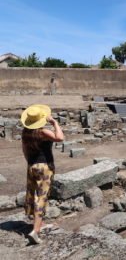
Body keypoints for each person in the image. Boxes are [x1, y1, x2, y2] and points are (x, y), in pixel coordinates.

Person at [20, 104, 64, 244]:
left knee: (33, 194)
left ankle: (39, 224)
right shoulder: (42, 132)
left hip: (31, 165)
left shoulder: (25, 132)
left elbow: (25, 151)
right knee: (41, 198)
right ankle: (35, 232)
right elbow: (60, 138)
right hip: (44, 167)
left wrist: (31, 163)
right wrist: (55, 122)